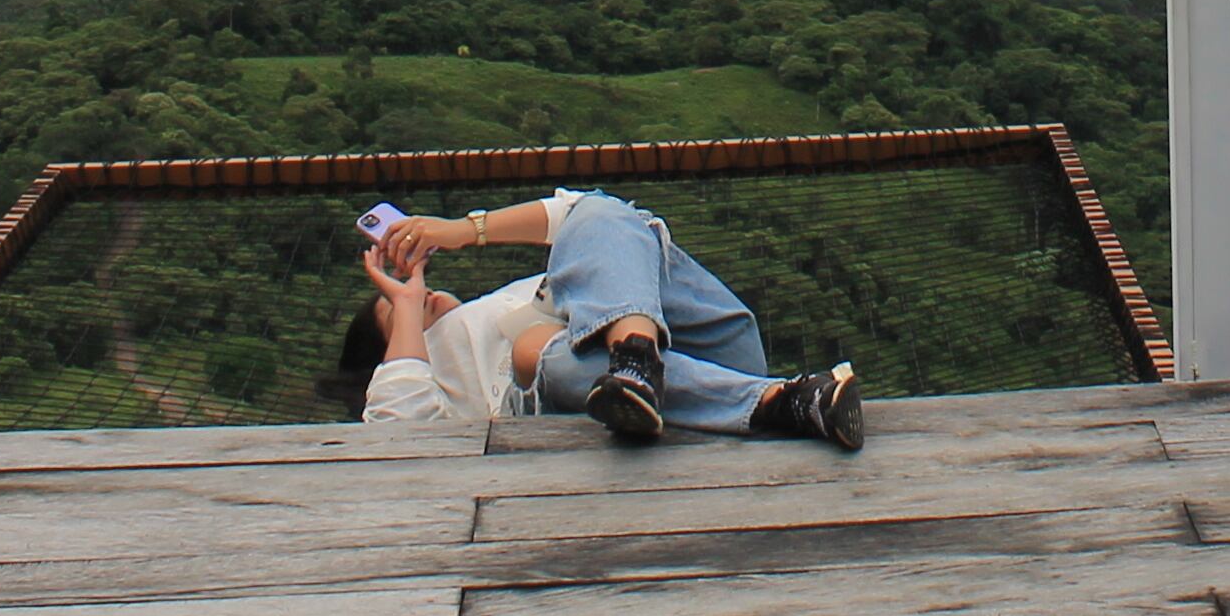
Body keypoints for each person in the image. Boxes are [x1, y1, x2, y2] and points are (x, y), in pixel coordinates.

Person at [326, 188, 864, 448]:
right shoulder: (435, 387)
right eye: (401, 312)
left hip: (712, 343)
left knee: (601, 212)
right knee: (538, 352)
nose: (424, 298)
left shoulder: (504, 302)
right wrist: (405, 301)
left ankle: (636, 358)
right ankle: (787, 401)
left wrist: (464, 230)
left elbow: (580, 210)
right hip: (595, 388)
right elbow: (395, 431)